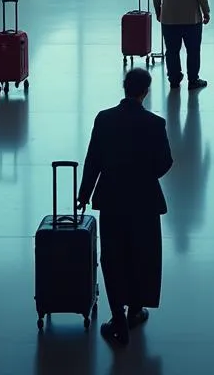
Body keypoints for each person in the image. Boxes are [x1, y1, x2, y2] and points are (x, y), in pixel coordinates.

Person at [78, 67, 173, 347]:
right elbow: (165, 163)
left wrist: (84, 194)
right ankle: (136, 309)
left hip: (111, 199)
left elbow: (92, 159)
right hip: (144, 200)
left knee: (113, 256)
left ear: (124, 87)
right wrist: (144, 174)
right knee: (142, 254)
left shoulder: (104, 119)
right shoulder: (155, 124)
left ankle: (117, 316)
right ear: (145, 91)